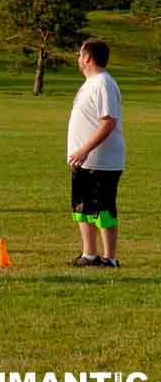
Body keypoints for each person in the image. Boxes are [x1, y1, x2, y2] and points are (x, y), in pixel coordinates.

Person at [67, 40, 126, 268]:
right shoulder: (90, 83)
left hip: (101, 162)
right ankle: (89, 254)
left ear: (88, 58)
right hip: (83, 161)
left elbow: (108, 121)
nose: (78, 58)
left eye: (80, 54)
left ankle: (110, 258)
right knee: (81, 208)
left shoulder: (103, 83)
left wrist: (85, 149)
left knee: (103, 210)